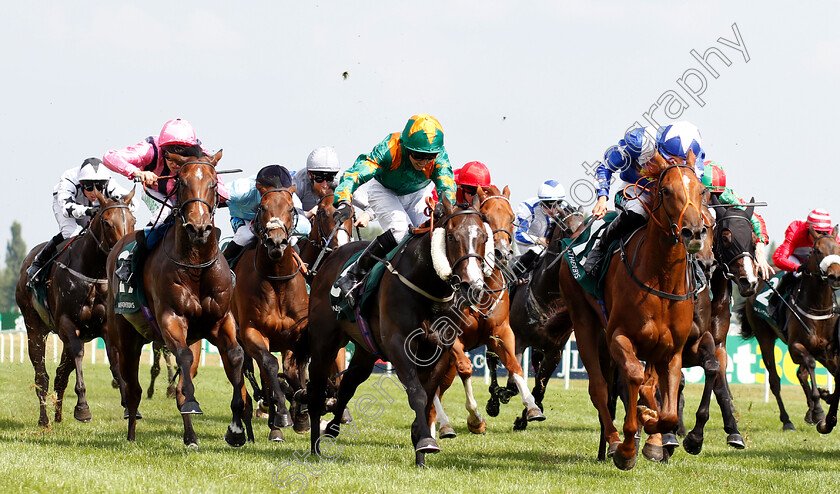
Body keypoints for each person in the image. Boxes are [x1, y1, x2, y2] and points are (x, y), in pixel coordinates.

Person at [331, 113, 456, 306]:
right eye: (418, 155)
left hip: (418, 193)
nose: (423, 162)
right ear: (406, 147)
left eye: (428, 157)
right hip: (384, 191)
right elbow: (356, 172)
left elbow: (447, 184)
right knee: (400, 232)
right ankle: (355, 273)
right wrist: (343, 201)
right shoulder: (390, 148)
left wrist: (445, 205)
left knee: (431, 237)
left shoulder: (439, 156)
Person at [103, 119, 230, 285]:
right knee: (164, 214)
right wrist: (136, 172)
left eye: (182, 154)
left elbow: (223, 191)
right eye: (170, 154)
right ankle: (132, 258)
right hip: (156, 192)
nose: (175, 162)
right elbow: (109, 157)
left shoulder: (202, 155)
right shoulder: (150, 149)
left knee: (205, 220)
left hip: (185, 196)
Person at [584, 121, 704, 277]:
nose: (672, 165)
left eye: (679, 162)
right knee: (638, 212)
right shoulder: (639, 141)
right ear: (660, 146)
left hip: (671, 196)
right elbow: (606, 166)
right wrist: (602, 198)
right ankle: (600, 249)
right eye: (669, 159)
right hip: (635, 188)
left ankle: (693, 262)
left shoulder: (696, 158)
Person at [26, 158, 132, 283]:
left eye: (98, 187)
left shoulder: (109, 182)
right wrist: (88, 211)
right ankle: (39, 262)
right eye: (89, 187)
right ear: (81, 184)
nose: (94, 192)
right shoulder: (68, 180)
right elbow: (67, 209)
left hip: (93, 206)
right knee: (71, 233)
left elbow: (132, 202)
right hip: (66, 203)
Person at [222, 165, 311, 264]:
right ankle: (224, 263)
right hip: (245, 218)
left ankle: (304, 271)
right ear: (259, 188)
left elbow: (306, 227)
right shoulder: (241, 190)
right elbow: (214, 190)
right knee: (245, 236)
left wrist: (281, 228)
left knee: (292, 240)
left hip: (276, 225)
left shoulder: (291, 198)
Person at [702, 162, 774, 279]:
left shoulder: (726, 196)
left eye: (718, 193)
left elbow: (756, 219)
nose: (714, 198)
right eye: (710, 193)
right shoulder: (689, 194)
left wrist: (760, 251)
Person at [294, 146, 375, 228]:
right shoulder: (300, 181)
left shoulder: (342, 181)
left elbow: (375, 206)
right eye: (319, 179)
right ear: (310, 175)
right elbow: (285, 212)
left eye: (329, 178)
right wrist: (306, 214)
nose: (325, 185)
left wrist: (368, 215)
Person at [770, 209, 835, 306]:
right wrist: (797, 267)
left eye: (825, 232)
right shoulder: (796, 230)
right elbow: (778, 257)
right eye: (817, 232)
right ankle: (774, 302)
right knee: (797, 274)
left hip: (815, 262)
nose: (821, 236)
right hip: (796, 259)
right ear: (809, 229)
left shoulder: (833, 238)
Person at [513, 180, 568, 276]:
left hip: (552, 250)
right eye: (548, 205)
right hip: (529, 249)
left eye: (557, 204)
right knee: (537, 250)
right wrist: (538, 240)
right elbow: (519, 236)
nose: (553, 210)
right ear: (541, 202)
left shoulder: (566, 208)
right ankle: (512, 280)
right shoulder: (527, 207)